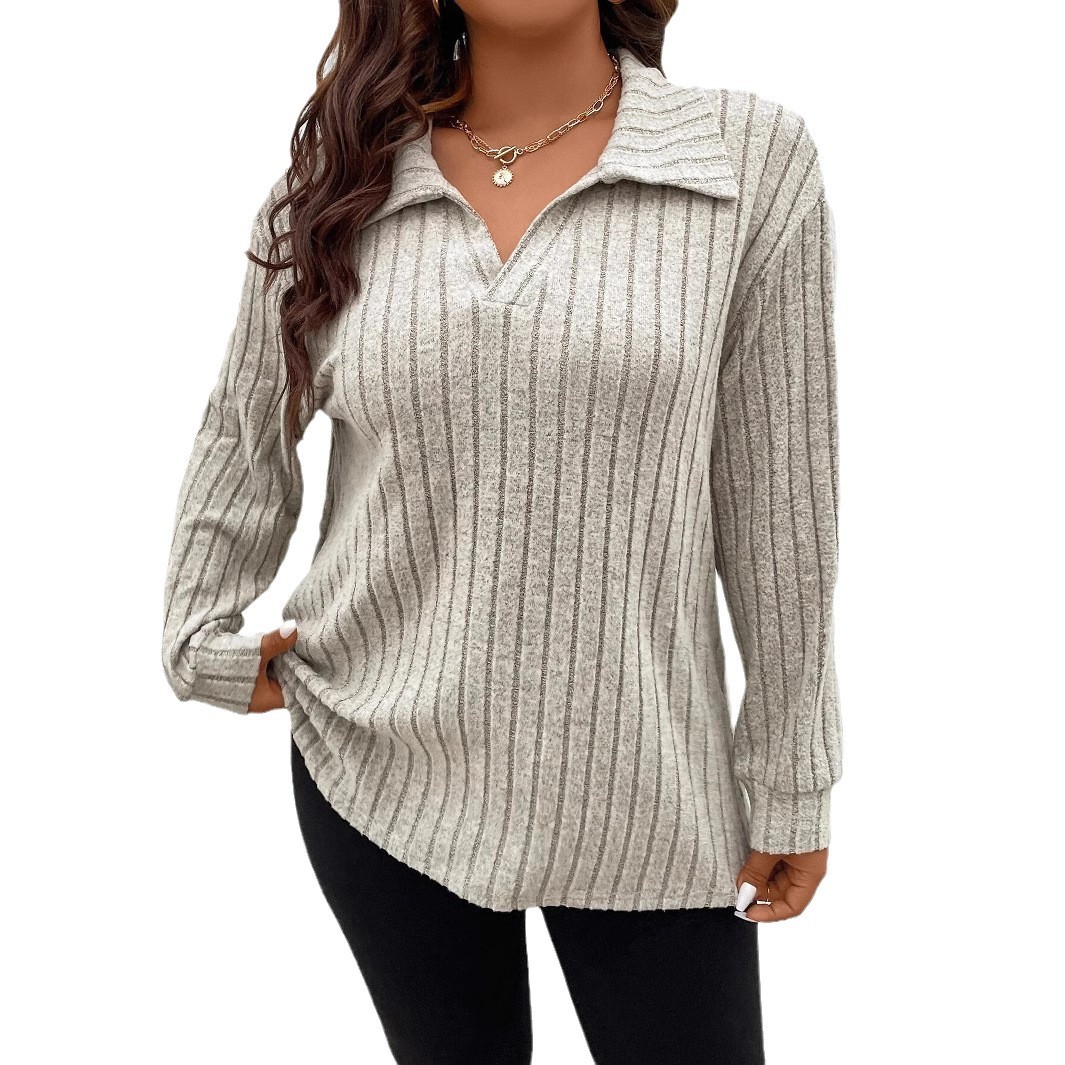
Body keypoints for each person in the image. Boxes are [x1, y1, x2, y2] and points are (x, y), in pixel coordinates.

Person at [161, 1, 843, 1061]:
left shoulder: (744, 161)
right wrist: (198, 638)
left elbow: (781, 498)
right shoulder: (338, 187)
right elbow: (244, 427)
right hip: (384, 770)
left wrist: (792, 771)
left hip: (650, 791)